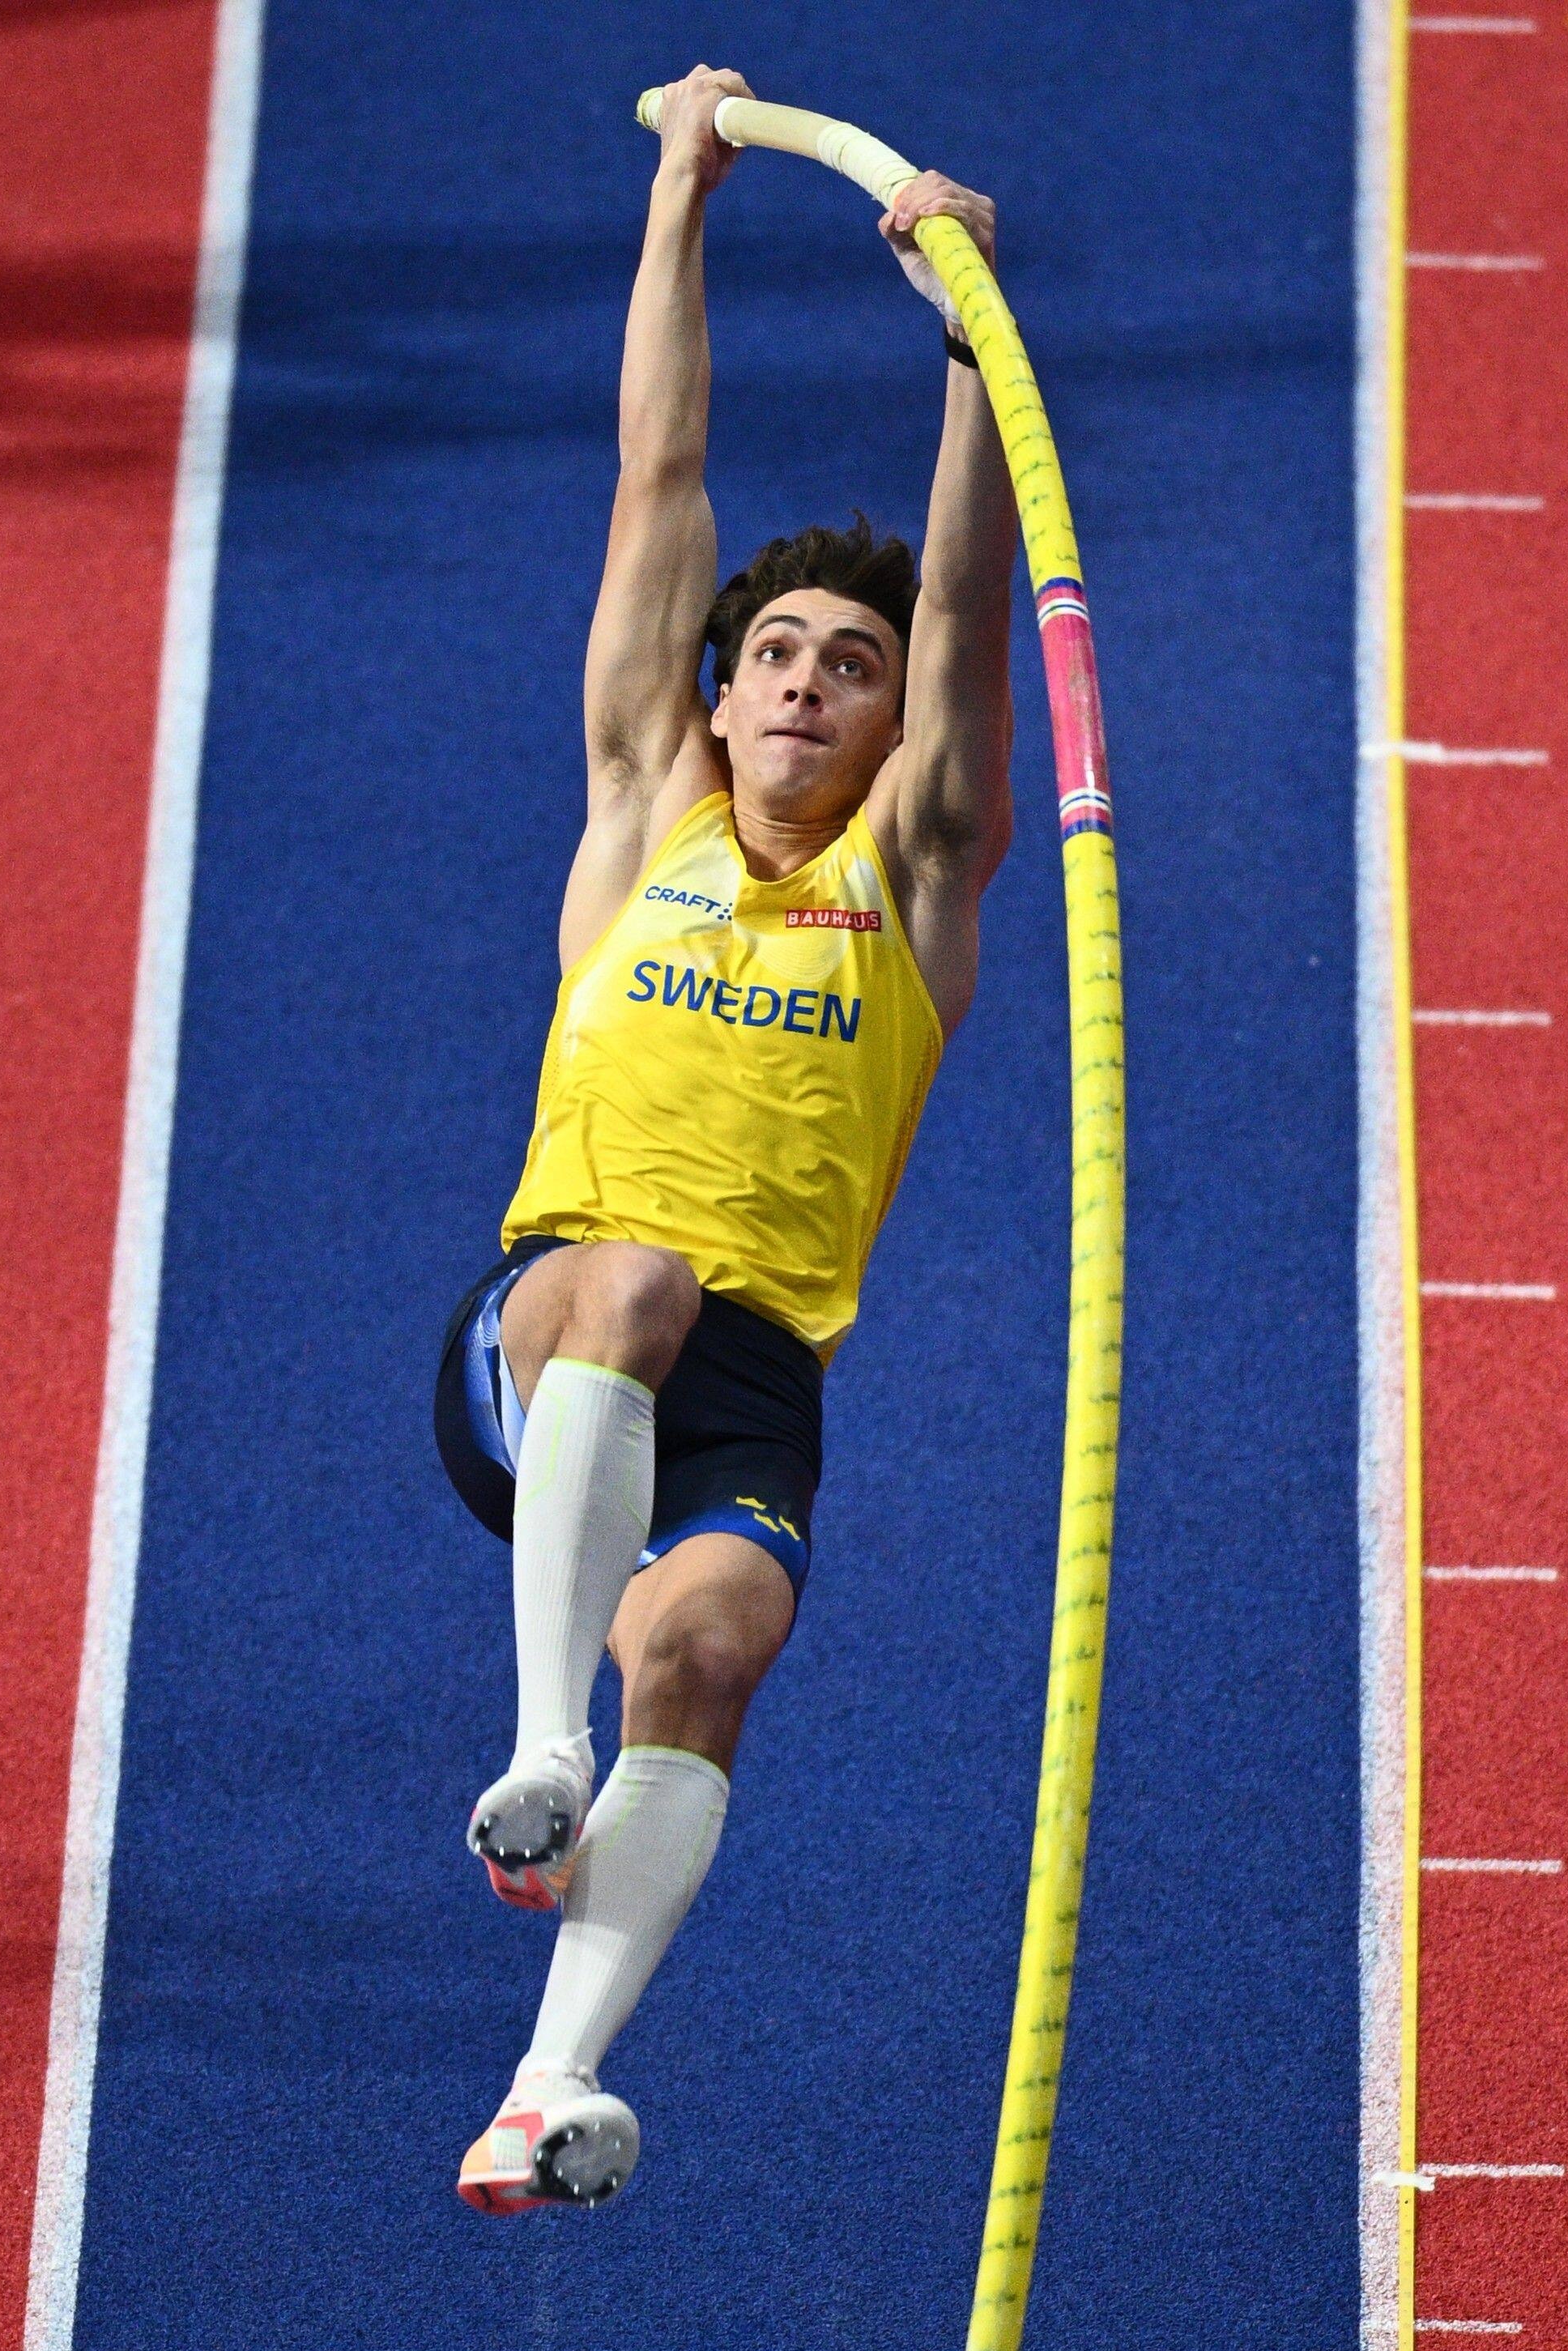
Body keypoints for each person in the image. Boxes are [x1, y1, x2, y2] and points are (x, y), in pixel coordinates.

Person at [436, 64, 1016, 2213]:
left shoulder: (912, 895)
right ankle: (536, 1745)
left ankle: (547, 2084)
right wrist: (682, 192)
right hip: (548, 1321)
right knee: (640, 1279)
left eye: (839, 670)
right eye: (768, 653)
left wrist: (969, 355)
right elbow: (656, 466)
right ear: (710, 692)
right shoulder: (640, 820)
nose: (795, 684)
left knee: (710, 1652)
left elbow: (968, 637)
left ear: (879, 729)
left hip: (757, 1366)